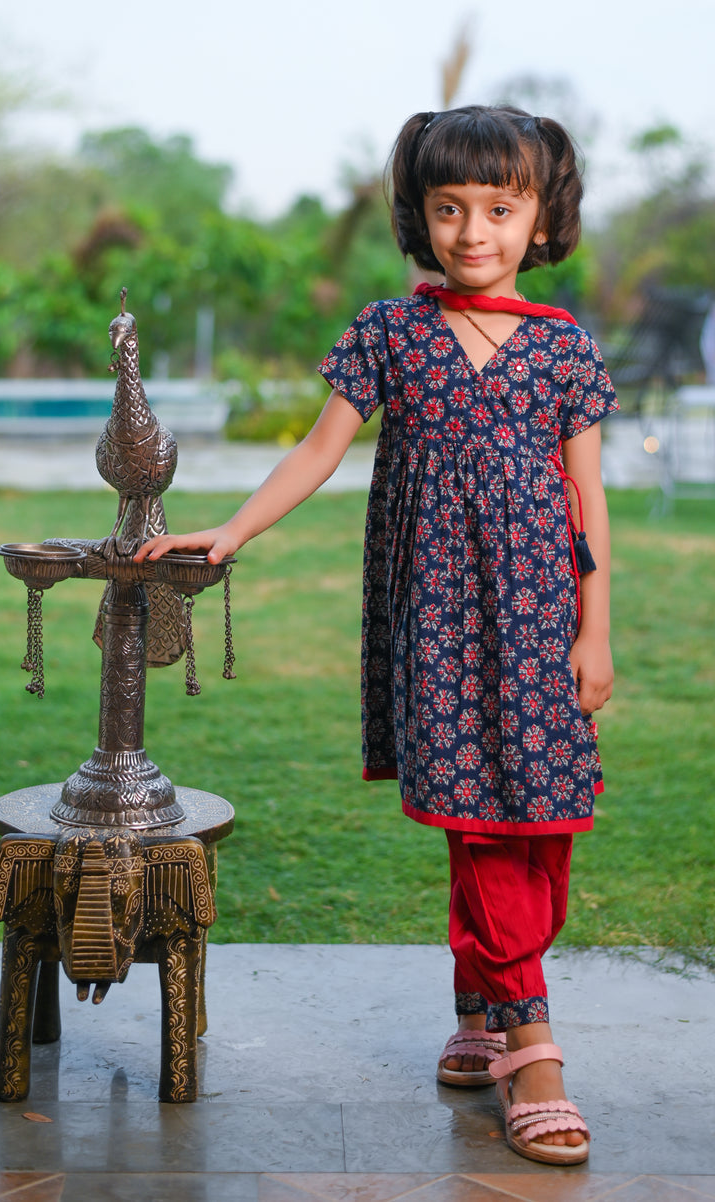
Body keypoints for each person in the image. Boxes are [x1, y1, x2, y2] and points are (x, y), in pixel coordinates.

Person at [135, 104, 618, 1167]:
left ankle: (481, 1004)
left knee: (538, 824)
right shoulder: (387, 333)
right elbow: (315, 451)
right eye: (447, 208)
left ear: (540, 217)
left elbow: (588, 503)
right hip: (439, 618)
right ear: (419, 216)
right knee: (479, 821)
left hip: (540, 620)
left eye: (498, 207)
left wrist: (597, 631)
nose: (471, 230)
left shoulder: (565, 348)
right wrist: (234, 526)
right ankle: (531, 1045)